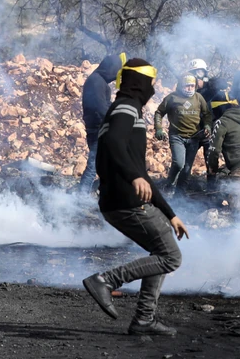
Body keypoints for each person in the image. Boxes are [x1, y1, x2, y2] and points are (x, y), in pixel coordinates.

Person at [82, 58, 189, 337]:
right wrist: (133, 177)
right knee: (170, 257)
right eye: (150, 82)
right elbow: (113, 144)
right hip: (125, 199)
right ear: (140, 83)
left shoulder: (127, 108)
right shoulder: (126, 107)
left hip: (121, 198)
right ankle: (106, 280)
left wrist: (170, 214)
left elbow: (142, 173)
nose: (153, 88)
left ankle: (144, 320)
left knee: (162, 252)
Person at [154, 74, 211, 193]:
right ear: (181, 85)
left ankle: (180, 195)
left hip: (194, 138)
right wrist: (159, 128)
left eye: (192, 86)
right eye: (187, 86)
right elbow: (159, 112)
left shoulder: (199, 98)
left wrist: (207, 125)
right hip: (177, 136)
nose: (189, 88)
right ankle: (169, 185)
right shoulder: (172, 98)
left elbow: (207, 114)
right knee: (179, 163)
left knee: (186, 169)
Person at [79, 55, 122, 194]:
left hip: (99, 127)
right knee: (94, 164)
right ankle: (81, 196)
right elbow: (100, 108)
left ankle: (104, 191)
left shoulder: (99, 81)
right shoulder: (96, 82)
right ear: (110, 68)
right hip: (98, 128)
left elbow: (106, 105)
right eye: (116, 71)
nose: (115, 76)